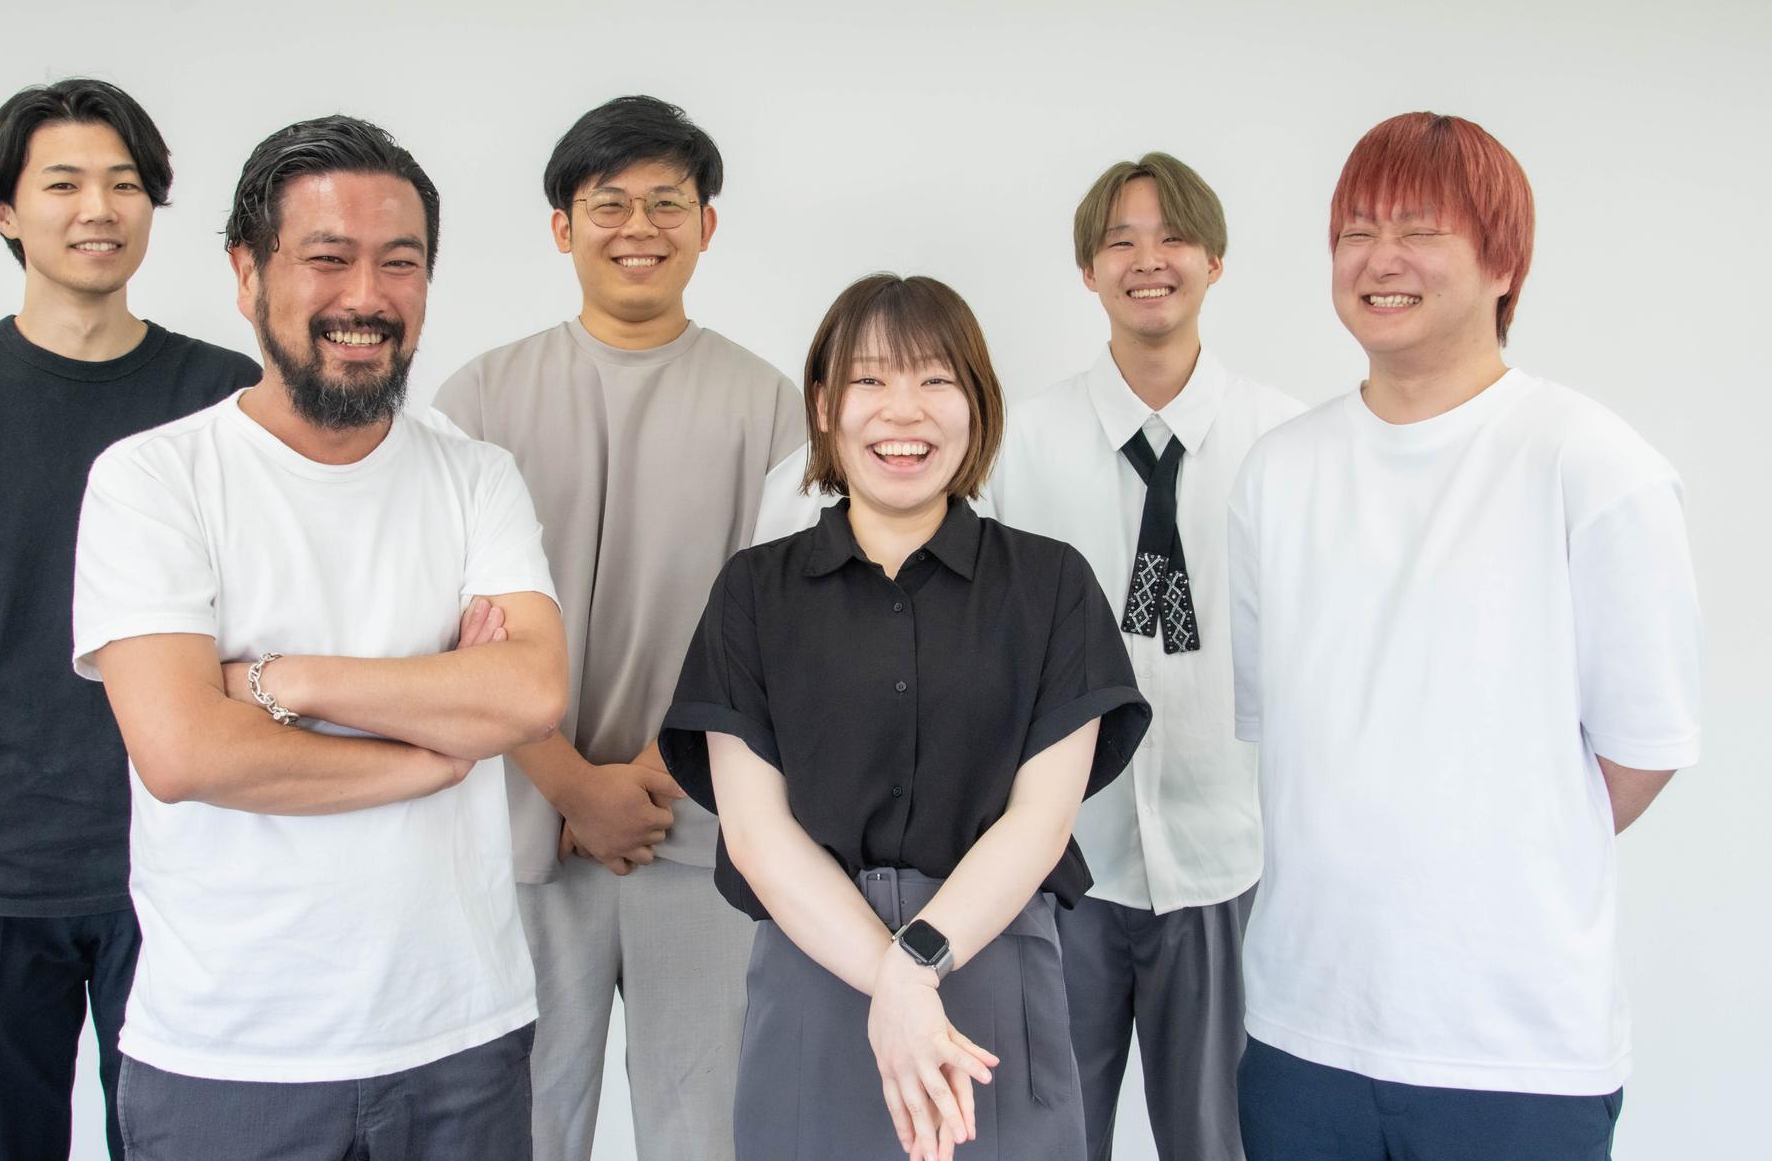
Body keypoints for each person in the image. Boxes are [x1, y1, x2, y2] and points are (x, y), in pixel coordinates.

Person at [71, 114, 568, 1158]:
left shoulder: (476, 477)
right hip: (231, 1057)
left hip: (462, 1037)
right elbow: (183, 751)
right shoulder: (153, 480)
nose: (367, 297)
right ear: (246, 272)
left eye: (401, 262)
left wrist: (279, 678)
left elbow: (528, 693)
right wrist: (433, 749)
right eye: (328, 258)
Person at [1228, 112, 1700, 1160]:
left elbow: (1639, 752)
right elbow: (1287, 730)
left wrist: (1504, 837)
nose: (1378, 258)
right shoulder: (1277, 471)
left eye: (1417, 229)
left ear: (1503, 262)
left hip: (1513, 1054)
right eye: (1355, 230)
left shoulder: (1590, 464)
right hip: (1301, 1031)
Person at [0, 77, 261, 1160]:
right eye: (63, 183)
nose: (98, 209)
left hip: (186, 862)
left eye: (125, 184)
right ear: (5, 211)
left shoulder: (224, 395)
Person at [661, 273, 1152, 1161]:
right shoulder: (753, 593)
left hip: (993, 968)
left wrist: (916, 964)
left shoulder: (1051, 585)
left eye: (935, 379)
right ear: (824, 406)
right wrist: (892, 980)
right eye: (870, 380)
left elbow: (1040, 822)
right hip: (812, 974)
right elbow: (758, 836)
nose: (904, 410)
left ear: (977, 403)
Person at [433, 94, 805, 1161]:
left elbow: (782, 633)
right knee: (520, 1129)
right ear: (563, 227)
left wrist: (647, 776)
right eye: (609, 204)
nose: (638, 227)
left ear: (707, 225)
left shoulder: (771, 408)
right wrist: (569, 784)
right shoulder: (476, 400)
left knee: (702, 1131)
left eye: (666, 203)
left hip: (698, 836)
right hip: (522, 835)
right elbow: (444, 633)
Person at [988, 152, 1301, 1161]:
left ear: (1215, 260)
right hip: (1059, 864)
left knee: (1220, 1140)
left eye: (1173, 237)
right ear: (1088, 270)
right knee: (1047, 1140)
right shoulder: (1017, 445)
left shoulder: (1287, 442)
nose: (1147, 259)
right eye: (1120, 241)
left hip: (1228, 858)